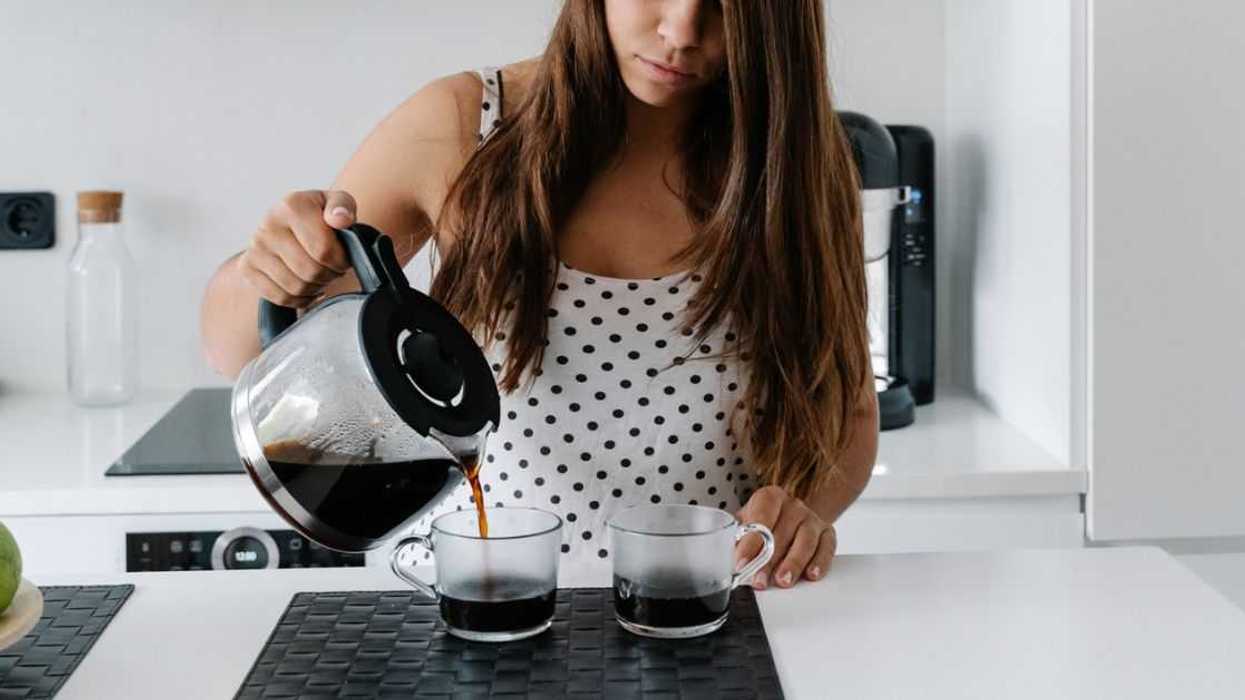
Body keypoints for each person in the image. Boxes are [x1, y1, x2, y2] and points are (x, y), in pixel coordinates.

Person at [201, 0, 878, 589]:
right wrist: (270, 269)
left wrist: (804, 510)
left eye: (729, 6)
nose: (680, 29)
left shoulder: (796, 172)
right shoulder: (465, 125)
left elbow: (848, 416)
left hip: (695, 614)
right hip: (473, 609)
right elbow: (237, 349)